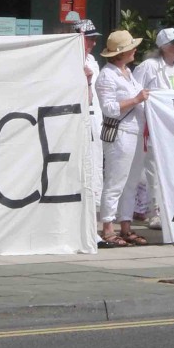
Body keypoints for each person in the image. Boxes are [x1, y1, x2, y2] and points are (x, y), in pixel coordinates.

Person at [95, 30, 149, 247]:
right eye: (131, 48)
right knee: (115, 181)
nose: (135, 50)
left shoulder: (128, 72)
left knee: (131, 182)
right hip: (120, 134)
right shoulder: (107, 76)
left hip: (135, 132)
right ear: (121, 53)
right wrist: (136, 99)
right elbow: (108, 109)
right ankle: (107, 227)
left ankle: (125, 225)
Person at [134, 27, 174, 230]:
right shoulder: (148, 67)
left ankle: (171, 209)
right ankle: (154, 211)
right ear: (164, 46)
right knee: (153, 171)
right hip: (153, 128)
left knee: (172, 170)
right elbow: (136, 95)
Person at [73, 19, 104, 225]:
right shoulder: (67, 59)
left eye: (94, 39)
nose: (92, 43)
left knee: (95, 165)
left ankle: (93, 218)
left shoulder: (92, 60)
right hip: (77, 118)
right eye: (89, 38)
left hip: (95, 118)